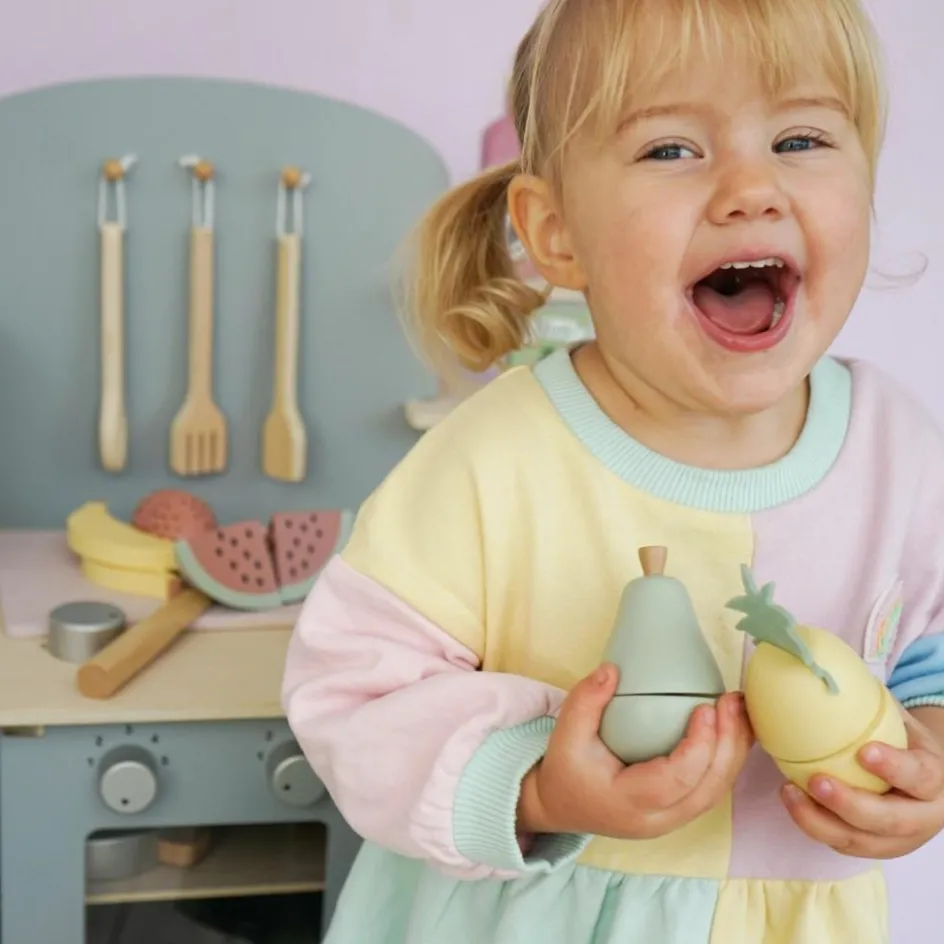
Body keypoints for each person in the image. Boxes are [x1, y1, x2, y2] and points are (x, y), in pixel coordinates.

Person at [281, 1, 944, 941]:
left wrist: (929, 757)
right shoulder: (494, 456)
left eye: (800, 139)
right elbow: (350, 695)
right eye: (672, 149)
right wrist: (538, 788)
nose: (751, 189)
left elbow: (930, 655)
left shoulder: (899, 450)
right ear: (556, 233)